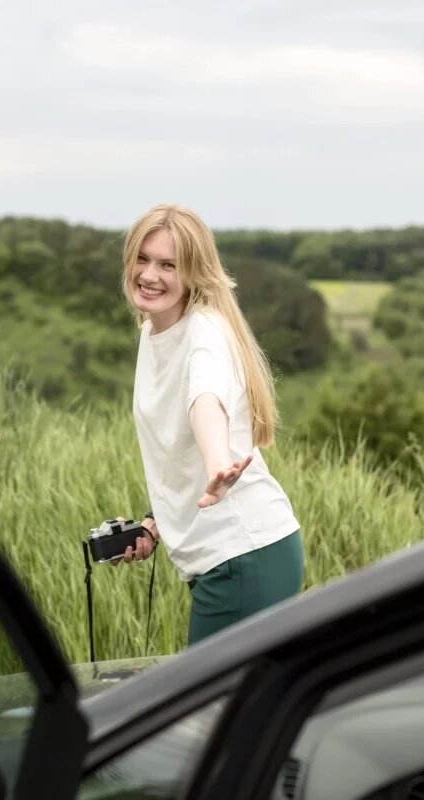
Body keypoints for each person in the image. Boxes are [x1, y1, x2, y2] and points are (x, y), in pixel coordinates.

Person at [112, 203, 304, 646]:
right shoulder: (154, 330)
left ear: (194, 274)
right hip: (235, 556)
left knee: (209, 711)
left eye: (168, 265)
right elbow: (176, 447)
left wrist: (219, 462)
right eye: (142, 259)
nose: (149, 275)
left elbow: (206, 401)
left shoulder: (204, 339)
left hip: (244, 555)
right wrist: (154, 522)